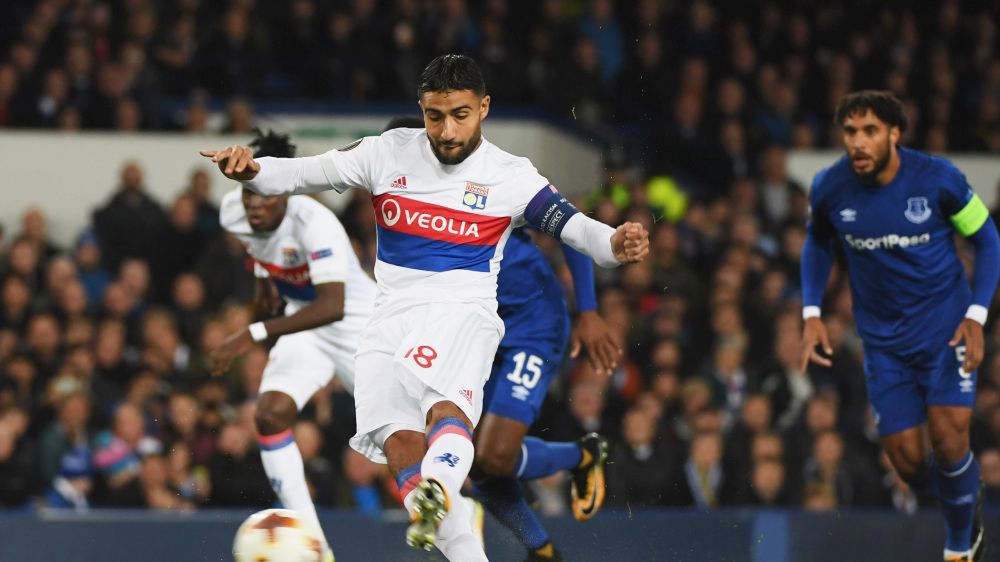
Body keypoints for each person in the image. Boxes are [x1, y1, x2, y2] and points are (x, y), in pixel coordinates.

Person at [200, 54, 649, 562]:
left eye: (460, 114)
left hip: (462, 311)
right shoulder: (387, 152)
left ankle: (440, 482)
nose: (447, 129)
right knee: (399, 447)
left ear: (483, 108)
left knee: (445, 413)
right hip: (387, 319)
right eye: (436, 115)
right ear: (421, 109)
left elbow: (577, 230)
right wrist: (253, 170)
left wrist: (616, 242)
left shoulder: (511, 176)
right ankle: (436, 504)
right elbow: (302, 174)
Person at [382, 115, 621, 562]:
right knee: (468, 458)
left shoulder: (491, 177)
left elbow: (571, 227)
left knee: (493, 455)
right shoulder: (394, 213)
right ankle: (542, 550)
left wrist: (587, 309)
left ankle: (579, 455)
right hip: (471, 335)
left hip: (532, 324)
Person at [800, 90, 1000, 562]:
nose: (858, 142)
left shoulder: (938, 179)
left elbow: (989, 241)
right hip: (883, 344)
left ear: (894, 133)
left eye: (869, 131)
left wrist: (976, 316)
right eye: (850, 132)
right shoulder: (829, 188)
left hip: (945, 331)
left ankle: (958, 548)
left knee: (951, 438)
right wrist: (811, 314)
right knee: (909, 463)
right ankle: (966, 494)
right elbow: (817, 245)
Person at [211, 129, 376, 562]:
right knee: (268, 415)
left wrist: (253, 332)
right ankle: (316, 547)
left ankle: (458, 508)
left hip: (358, 326)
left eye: (266, 196)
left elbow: (333, 305)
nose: (255, 206)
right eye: (249, 195)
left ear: (285, 190)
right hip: (304, 326)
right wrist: (264, 276)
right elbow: (259, 246)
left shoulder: (317, 224)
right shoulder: (232, 212)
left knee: (400, 437)